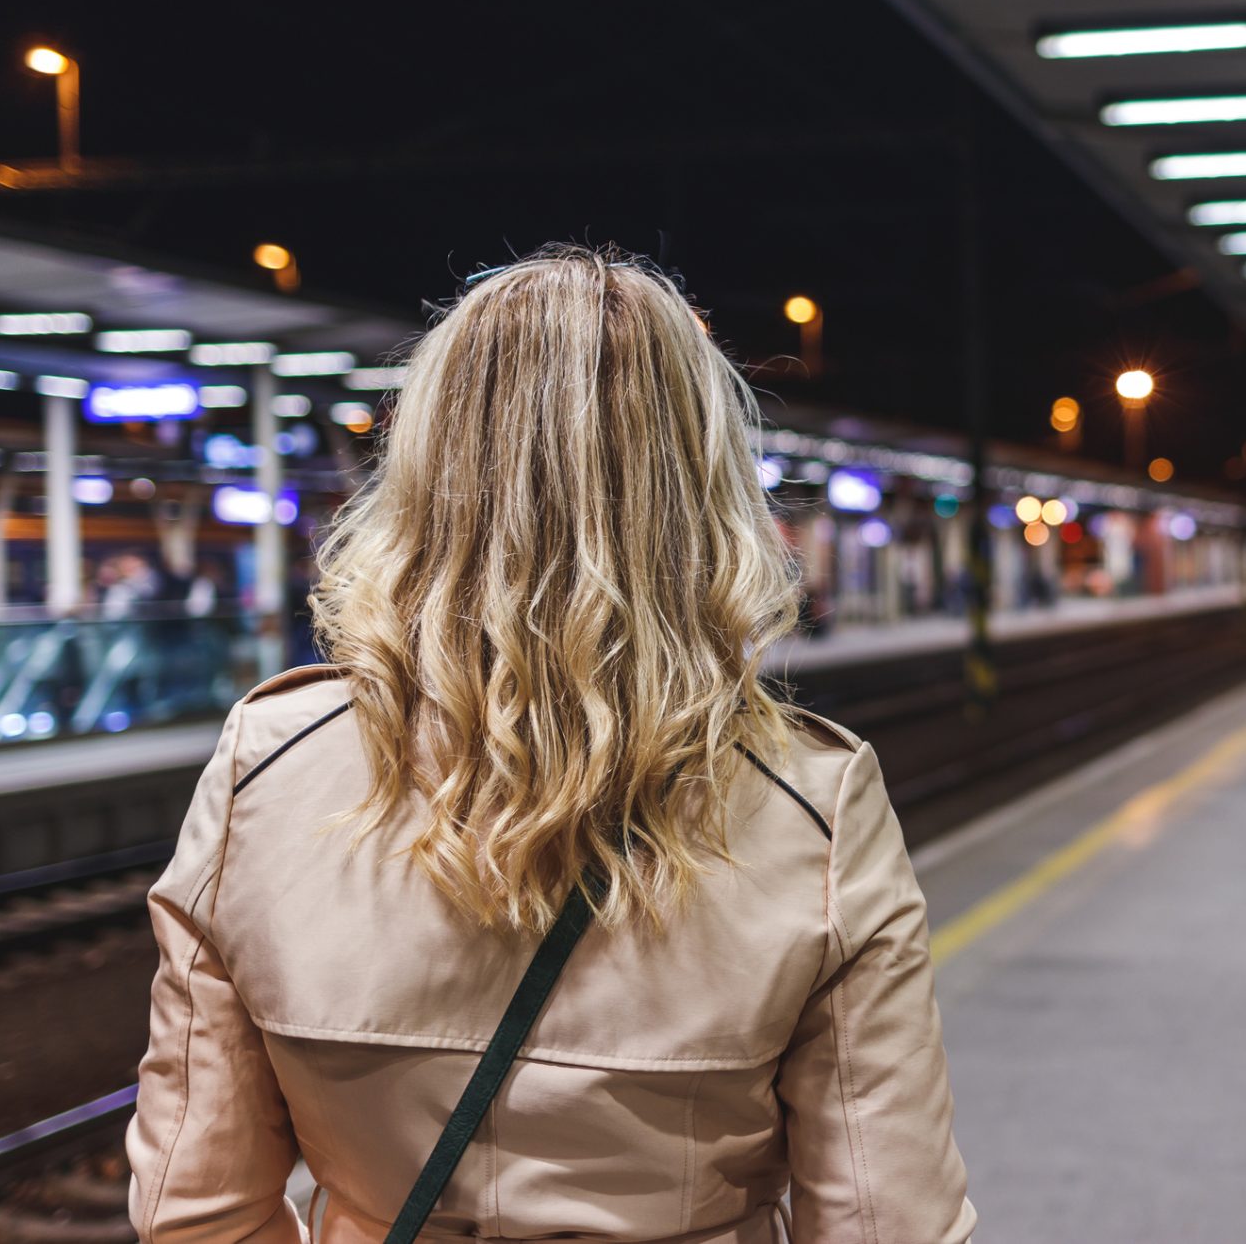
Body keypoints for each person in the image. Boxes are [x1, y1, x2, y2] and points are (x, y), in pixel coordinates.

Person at [127, 247, 975, 1244]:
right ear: (697, 478)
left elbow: (198, 1208)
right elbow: (888, 1222)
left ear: (425, 463)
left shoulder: (268, 766)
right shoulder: (810, 801)